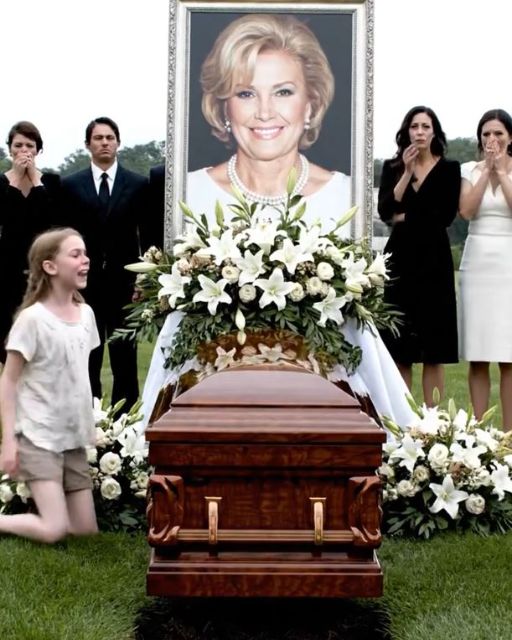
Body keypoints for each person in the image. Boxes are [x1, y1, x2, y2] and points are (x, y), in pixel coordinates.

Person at [141, 14, 415, 431]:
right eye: (246, 93)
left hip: (330, 406)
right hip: (207, 403)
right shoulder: (189, 192)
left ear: (311, 104)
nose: (265, 112)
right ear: (223, 106)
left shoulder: (345, 194)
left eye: (283, 91)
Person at [0, 228, 99, 542]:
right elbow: (8, 382)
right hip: (37, 436)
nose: (85, 260)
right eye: (75, 254)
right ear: (50, 266)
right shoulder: (32, 320)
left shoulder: (86, 315)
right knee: (54, 530)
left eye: (85, 253)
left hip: (72, 437)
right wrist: (9, 442)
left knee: (85, 531)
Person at [61, 117, 159, 409]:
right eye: (98, 138)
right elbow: (63, 237)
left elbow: (149, 237)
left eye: (109, 137)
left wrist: (146, 281)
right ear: (87, 144)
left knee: (125, 358)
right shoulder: (70, 186)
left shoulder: (139, 184)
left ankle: (125, 423)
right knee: (87, 357)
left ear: (118, 143)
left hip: (125, 286)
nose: (104, 142)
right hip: (84, 286)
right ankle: (87, 417)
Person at [378, 106, 460, 405]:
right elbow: (386, 211)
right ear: (407, 131)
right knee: (400, 347)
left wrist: (405, 216)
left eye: (426, 126)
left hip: (435, 261)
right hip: (400, 260)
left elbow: (445, 215)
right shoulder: (392, 167)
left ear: (434, 132)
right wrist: (406, 173)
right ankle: (402, 418)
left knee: (434, 349)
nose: (420, 132)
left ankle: (433, 419)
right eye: (415, 126)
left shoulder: (450, 169)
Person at [458, 109, 512, 429]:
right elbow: (466, 211)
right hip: (477, 262)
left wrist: (502, 172)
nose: (492, 139)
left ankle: (508, 434)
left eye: (498, 134)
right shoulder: (468, 169)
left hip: (508, 262)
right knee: (478, 354)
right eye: (486, 134)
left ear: (510, 137)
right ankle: (478, 431)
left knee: (509, 356)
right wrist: (486, 171)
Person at [0, 121, 61, 363]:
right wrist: (15, 180)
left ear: (38, 150)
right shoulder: (2, 184)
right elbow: (5, 217)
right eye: (18, 145)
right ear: (10, 149)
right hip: (7, 271)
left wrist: (35, 180)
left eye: (30, 145)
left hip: (41, 270)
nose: (24, 151)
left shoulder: (51, 183)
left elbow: (51, 220)